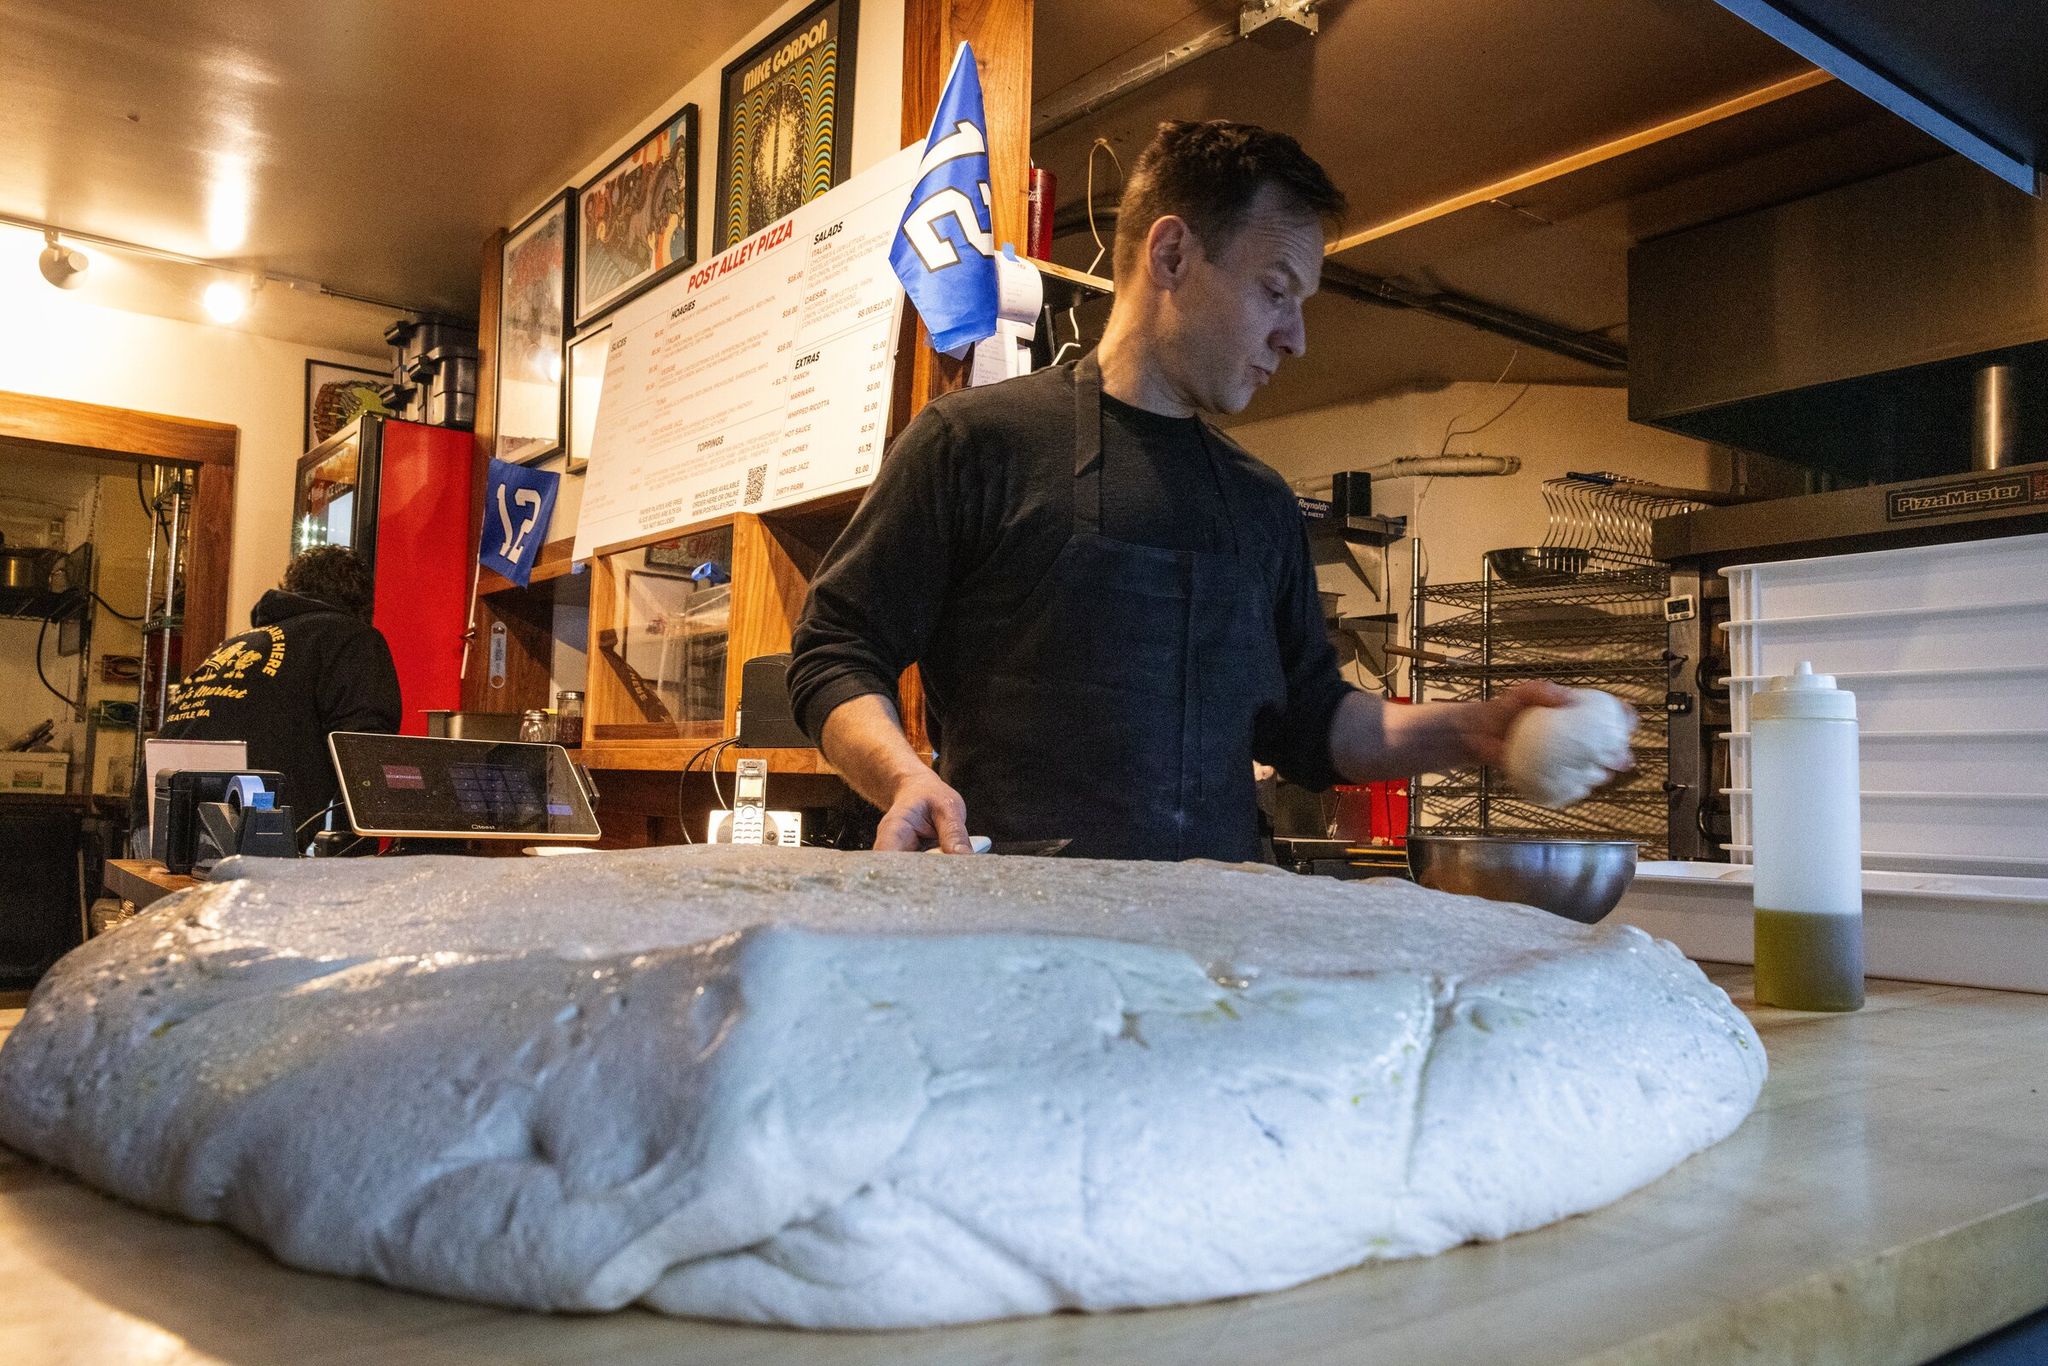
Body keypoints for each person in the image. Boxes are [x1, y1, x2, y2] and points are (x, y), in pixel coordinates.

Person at [788, 120, 1623, 860]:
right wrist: (904, 778)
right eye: (1275, 291)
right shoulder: (974, 444)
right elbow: (835, 651)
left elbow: (1314, 723)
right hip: (1021, 934)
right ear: (1173, 254)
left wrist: (1474, 730)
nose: (1294, 337)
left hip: (1218, 943)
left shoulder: (1260, 504)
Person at [144, 545, 401, 845]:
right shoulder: (351, 638)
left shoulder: (242, 642)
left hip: (153, 814)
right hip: (233, 824)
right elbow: (363, 755)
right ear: (363, 604)